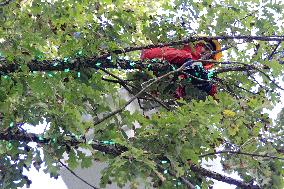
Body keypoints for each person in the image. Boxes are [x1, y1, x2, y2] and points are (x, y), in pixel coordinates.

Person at [140, 39, 222, 98]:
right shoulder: (184, 54)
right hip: (156, 76)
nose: (206, 52)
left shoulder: (204, 73)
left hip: (171, 97)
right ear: (199, 46)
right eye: (206, 47)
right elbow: (150, 55)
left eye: (210, 53)